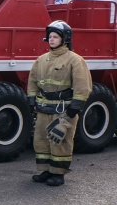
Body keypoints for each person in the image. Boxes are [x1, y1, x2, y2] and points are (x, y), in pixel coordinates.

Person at [27, 20, 92, 187]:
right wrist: (31, 100)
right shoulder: (41, 60)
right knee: (41, 140)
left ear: (65, 39)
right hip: (43, 109)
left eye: (55, 37)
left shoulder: (75, 60)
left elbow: (82, 87)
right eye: (50, 37)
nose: (51, 40)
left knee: (60, 141)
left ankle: (58, 174)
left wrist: (73, 111)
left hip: (63, 110)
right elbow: (33, 80)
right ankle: (46, 170)